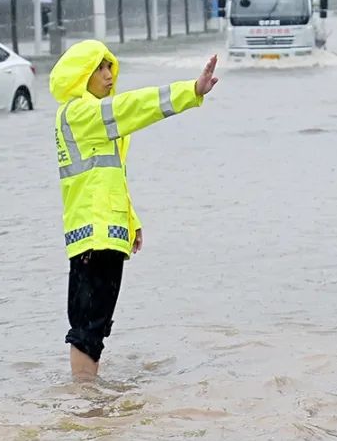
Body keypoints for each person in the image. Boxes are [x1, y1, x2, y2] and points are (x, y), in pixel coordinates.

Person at [49, 39, 219, 380]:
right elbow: (135, 106)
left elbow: (107, 178)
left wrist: (131, 222)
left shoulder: (94, 118)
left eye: (111, 66)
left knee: (97, 324)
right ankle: (84, 406)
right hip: (93, 236)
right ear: (82, 74)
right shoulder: (79, 113)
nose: (109, 74)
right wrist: (191, 91)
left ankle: (91, 404)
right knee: (87, 327)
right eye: (100, 68)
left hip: (106, 234)